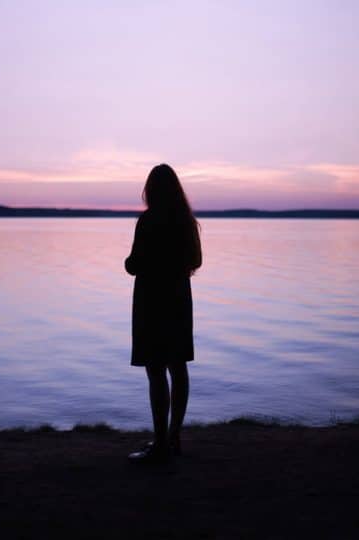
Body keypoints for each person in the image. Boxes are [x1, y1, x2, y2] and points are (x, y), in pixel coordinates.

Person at [125, 164, 202, 463]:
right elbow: (196, 260)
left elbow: (134, 264)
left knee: (156, 370)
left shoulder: (148, 221)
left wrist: (133, 263)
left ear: (151, 190)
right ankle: (173, 437)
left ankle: (160, 444)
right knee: (178, 367)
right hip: (179, 300)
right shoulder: (186, 221)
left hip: (151, 301)